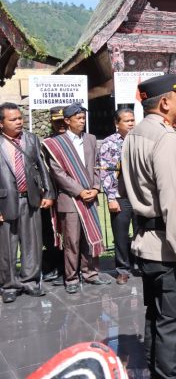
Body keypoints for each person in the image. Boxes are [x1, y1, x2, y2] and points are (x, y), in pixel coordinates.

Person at [122, 74, 176, 379]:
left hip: (150, 244)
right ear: (166, 102)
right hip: (171, 252)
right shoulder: (166, 138)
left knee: (157, 319)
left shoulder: (134, 136)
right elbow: (173, 200)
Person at [44, 102, 112, 294]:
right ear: (67, 120)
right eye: (78, 118)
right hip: (71, 199)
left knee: (90, 237)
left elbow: (97, 166)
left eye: (84, 118)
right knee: (72, 240)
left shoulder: (91, 139)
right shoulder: (56, 143)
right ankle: (71, 277)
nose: (82, 122)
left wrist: (96, 188)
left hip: (90, 196)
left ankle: (91, 273)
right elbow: (58, 174)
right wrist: (80, 191)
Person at [0, 103, 54, 303]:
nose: (19, 122)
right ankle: (9, 285)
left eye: (20, 118)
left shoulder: (31, 139)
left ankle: (30, 281)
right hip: (4, 203)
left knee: (32, 243)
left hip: (30, 200)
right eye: (13, 119)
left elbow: (41, 167)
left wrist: (48, 193)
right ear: (1, 123)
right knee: (6, 247)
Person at [99, 108, 137, 285]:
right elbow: (106, 173)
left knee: (142, 232)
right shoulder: (109, 143)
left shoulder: (140, 140)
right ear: (117, 123)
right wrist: (111, 197)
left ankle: (142, 265)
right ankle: (123, 269)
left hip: (140, 196)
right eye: (126, 121)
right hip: (121, 196)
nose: (131, 123)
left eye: (132, 120)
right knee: (120, 235)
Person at [41, 106, 66, 284]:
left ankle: (72, 268)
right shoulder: (45, 143)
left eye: (63, 121)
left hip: (70, 194)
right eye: (57, 122)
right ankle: (57, 267)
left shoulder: (75, 141)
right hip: (51, 194)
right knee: (51, 234)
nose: (61, 125)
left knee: (71, 234)